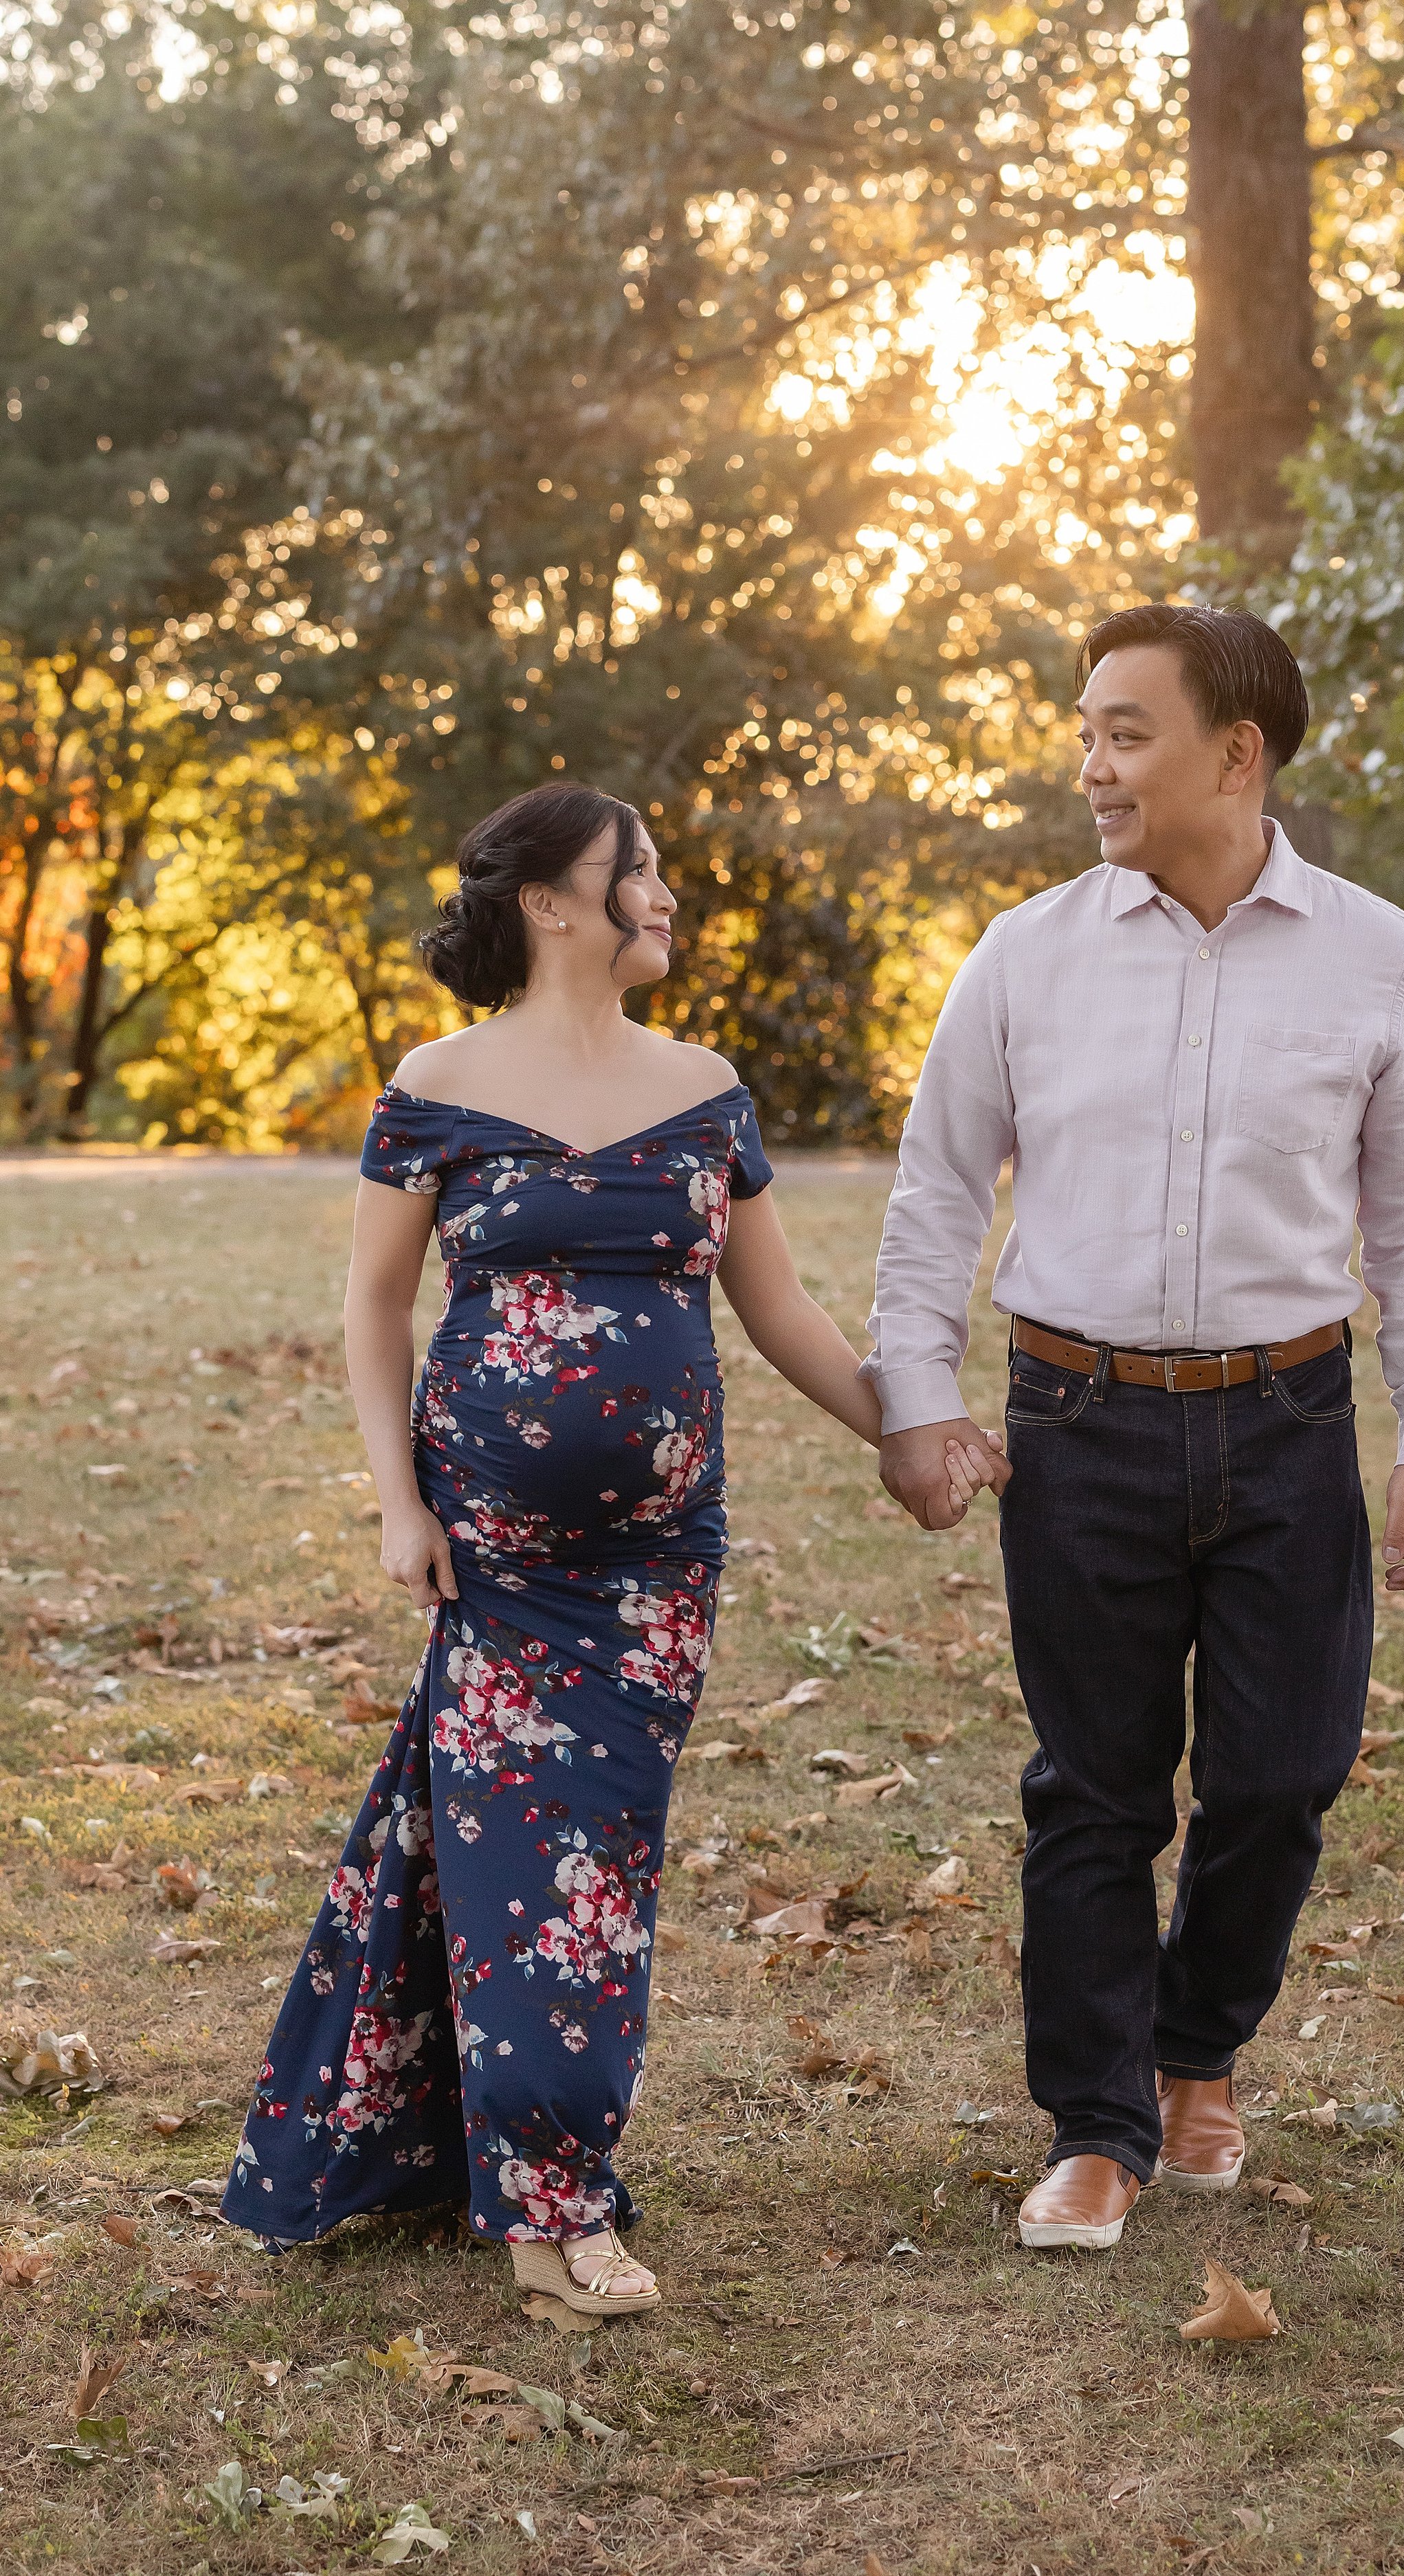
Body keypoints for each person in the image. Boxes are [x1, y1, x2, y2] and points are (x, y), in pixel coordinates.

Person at [220, 781, 1001, 2314]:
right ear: (552, 905)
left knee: (592, 1867)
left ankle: (474, 2147)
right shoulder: (436, 1082)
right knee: (536, 1870)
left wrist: (906, 1430)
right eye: (632, 871)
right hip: (499, 1563)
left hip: (654, 1576)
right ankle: (552, 2209)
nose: (660, 894)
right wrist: (398, 1501)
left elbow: (774, 1311)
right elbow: (376, 1308)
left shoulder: (704, 1087)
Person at [864, 604, 1404, 2249]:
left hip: (1287, 1416)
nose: (1091, 765)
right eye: (1085, 730)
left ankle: (1196, 2039)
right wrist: (913, 1401)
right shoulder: (1024, 954)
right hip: (1075, 1418)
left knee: (1280, 1778)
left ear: (1236, 751)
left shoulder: (1375, 956)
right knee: (1093, 1788)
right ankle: (1095, 2124)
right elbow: (935, 1193)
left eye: (1124, 732)